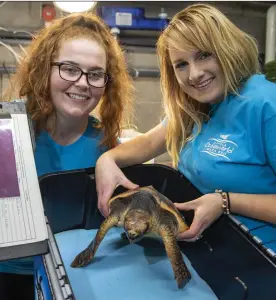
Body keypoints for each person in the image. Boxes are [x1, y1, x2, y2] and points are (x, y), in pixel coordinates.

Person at [0, 12, 134, 300]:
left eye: (95, 74)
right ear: (45, 69)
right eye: (69, 68)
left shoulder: (109, 147)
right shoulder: (0, 131)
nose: (82, 83)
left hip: (68, 275)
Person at [95, 3, 276, 244]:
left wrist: (225, 201)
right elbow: (149, 142)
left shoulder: (266, 105)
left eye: (204, 55)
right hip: (208, 249)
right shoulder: (196, 107)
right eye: (181, 64)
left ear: (227, 48)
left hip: (260, 260)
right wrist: (107, 160)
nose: (194, 74)